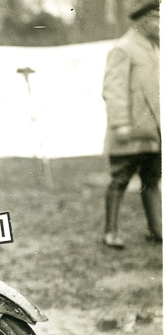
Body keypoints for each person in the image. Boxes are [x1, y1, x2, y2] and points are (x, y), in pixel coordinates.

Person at [102, 0, 161, 249]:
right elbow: (113, 90)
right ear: (144, 19)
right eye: (157, 18)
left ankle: (157, 229)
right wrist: (121, 125)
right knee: (120, 181)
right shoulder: (123, 48)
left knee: (152, 181)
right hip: (127, 132)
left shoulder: (155, 48)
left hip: (151, 133)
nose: (160, 25)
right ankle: (111, 232)